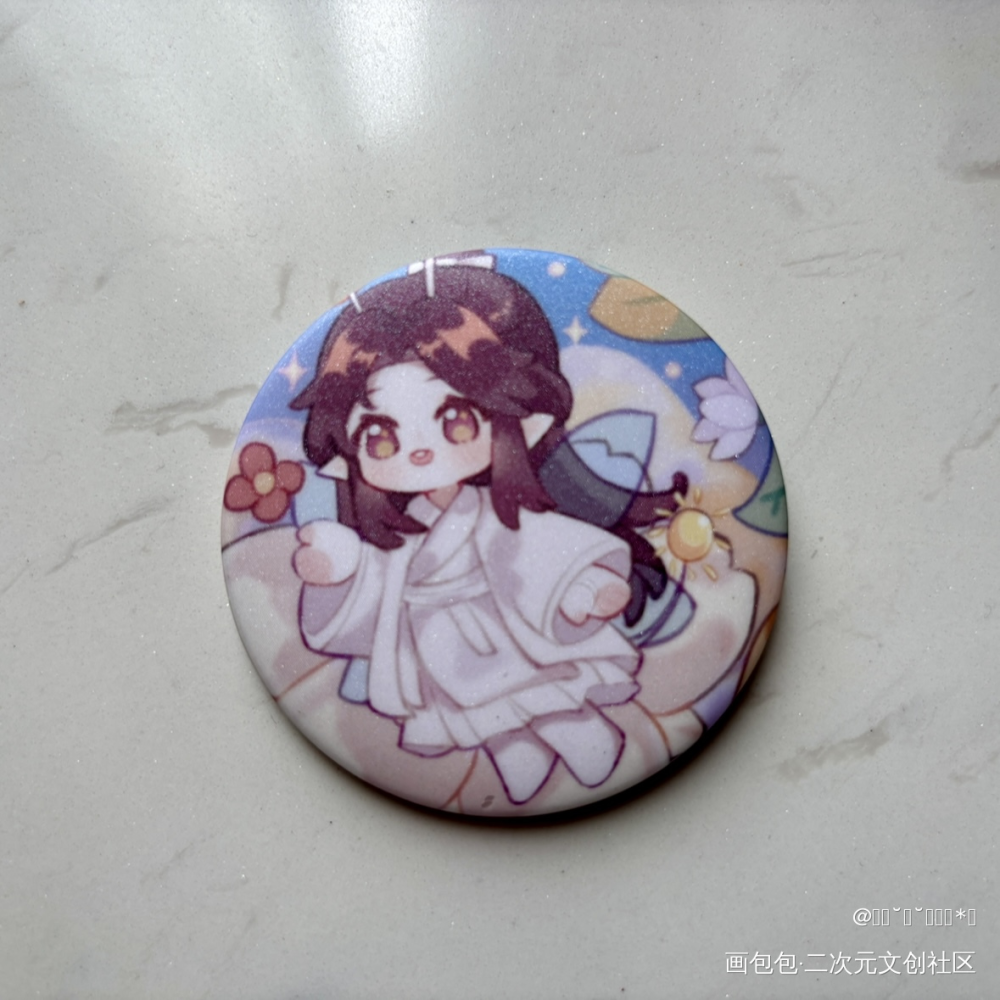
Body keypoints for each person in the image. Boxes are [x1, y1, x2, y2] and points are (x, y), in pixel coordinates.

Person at [289, 255, 653, 804]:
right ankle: (521, 768)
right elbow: (373, 585)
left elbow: (542, 550)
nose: (418, 452)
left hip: (512, 629)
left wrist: (582, 587)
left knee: (555, 706)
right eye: (381, 437)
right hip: (439, 647)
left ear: (509, 416)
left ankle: (593, 744)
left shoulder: (497, 514)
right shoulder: (404, 535)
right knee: (489, 727)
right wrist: (338, 571)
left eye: (455, 421)